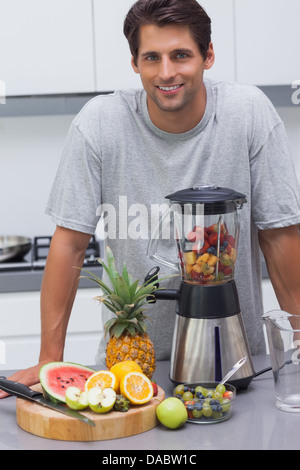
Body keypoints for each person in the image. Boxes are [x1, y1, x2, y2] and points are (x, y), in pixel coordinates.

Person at [1, 0, 300, 397]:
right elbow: (70, 243)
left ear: (208, 56)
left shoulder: (248, 114)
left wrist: (298, 343)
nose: (166, 72)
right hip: (127, 370)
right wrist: (48, 357)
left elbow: (279, 236)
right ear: (134, 63)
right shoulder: (100, 123)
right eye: (151, 57)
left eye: (181, 55)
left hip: (237, 364)